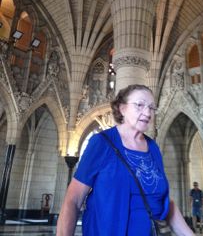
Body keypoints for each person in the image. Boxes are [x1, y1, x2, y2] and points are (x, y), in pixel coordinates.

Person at [57, 84, 195, 236]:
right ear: (122, 108)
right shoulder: (102, 143)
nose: (148, 112)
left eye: (152, 107)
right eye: (140, 105)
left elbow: (164, 202)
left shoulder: (153, 148)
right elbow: (73, 200)